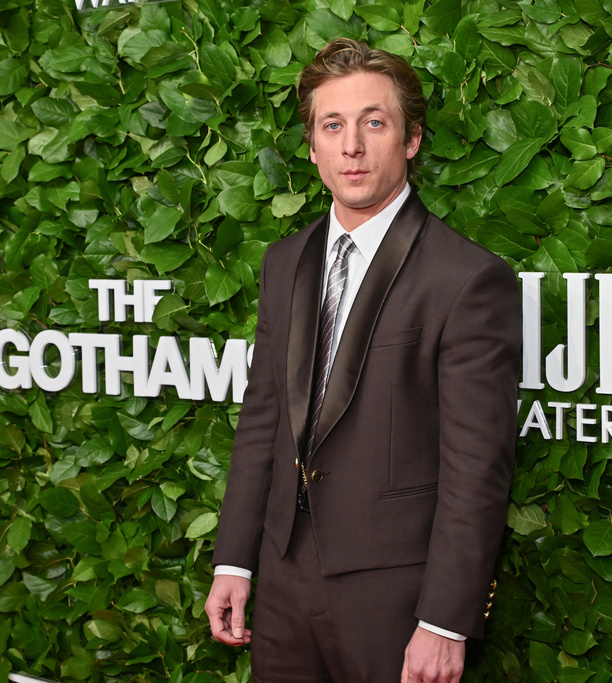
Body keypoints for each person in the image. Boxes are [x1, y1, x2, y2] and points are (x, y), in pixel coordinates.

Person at [204, 38, 521, 683]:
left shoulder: (466, 278)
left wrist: (444, 621)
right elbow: (263, 418)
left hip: (396, 599)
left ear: (410, 140)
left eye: (374, 122)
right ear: (313, 146)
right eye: (333, 125)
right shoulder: (284, 262)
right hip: (284, 579)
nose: (352, 145)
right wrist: (234, 561)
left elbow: (477, 466)